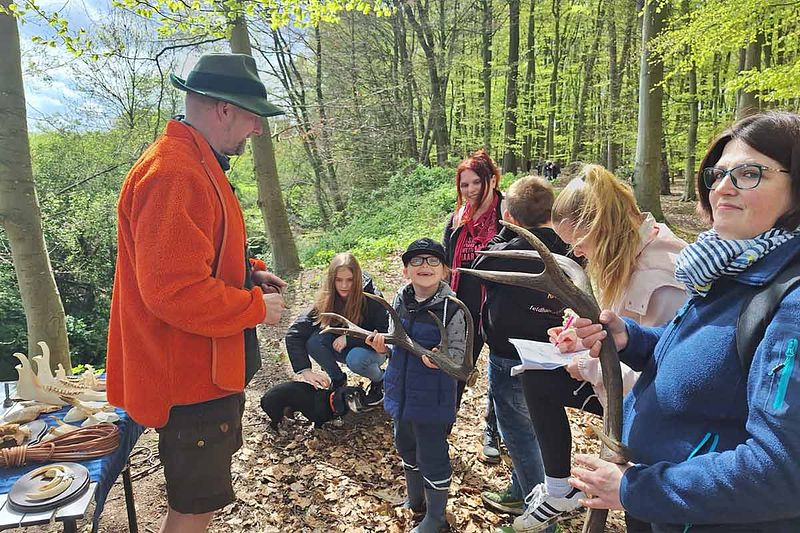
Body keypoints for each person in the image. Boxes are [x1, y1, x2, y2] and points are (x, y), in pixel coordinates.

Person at [568, 111, 800, 532]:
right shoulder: (730, 267)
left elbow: (784, 470)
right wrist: (629, 338)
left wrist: (635, 489)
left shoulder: (791, 300)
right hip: (665, 509)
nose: (723, 188)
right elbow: (707, 356)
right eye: (718, 173)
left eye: (750, 174)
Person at [106, 53, 287, 533]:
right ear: (224, 109)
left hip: (201, 373)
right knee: (193, 507)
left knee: (197, 501)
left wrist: (247, 275)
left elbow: (196, 256)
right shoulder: (175, 173)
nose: (258, 129)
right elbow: (173, 291)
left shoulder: (194, 163)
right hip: (189, 381)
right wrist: (254, 309)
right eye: (253, 116)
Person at [513, 164, 687, 533]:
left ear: (601, 228)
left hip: (654, 419)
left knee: (643, 514)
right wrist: (578, 335)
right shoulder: (625, 254)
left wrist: (584, 365)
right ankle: (560, 488)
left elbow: (664, 371)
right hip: (617, 391)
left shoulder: (664, 277)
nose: (578, 254)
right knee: (538, 379)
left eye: (580, 243)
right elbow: (612, 320)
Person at [472, 176, 572, 527]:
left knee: (517, 433)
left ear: (510, 215)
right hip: (556, 353)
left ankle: (541, 518)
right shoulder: (571, 246)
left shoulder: (507, 252)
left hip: (512, 358)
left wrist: (505, 231)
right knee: (539, 428)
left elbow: (478, 268)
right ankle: (520, 491)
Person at [367, 238, 467, 533]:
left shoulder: (453, 309)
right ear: (405, 271)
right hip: (400, 390)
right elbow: (392, 338)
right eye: (416, 261)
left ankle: (436, 518)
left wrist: (442, 360)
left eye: (433, 260)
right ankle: (416, 500)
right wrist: (381, 346)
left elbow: (459, 357)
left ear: (446, 270)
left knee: (432, 454)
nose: (425, 266)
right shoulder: (399, 300)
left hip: (432, 398)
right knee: (405, 444)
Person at [442, 149, 503, 463]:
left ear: (491, 181)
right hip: (463, 308)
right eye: (464, 185)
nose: (470, 191)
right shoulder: (456, 219)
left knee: (501, 372)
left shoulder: (506, 213)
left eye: (476, 183)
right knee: (456, 368)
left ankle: (494, 430)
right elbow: (444, 259)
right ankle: (442, 424)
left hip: (500, 307)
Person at [285, 252, 389, 406]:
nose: (344, 286)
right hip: (341, 348)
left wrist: (350, 337)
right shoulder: (327, 298)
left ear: (358, 279)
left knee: (356, 358)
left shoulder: (372, 297)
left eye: (350, 280)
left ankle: (381, 380)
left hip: (372, 350)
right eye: (338, 280)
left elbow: (385, 333)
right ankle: (338, 379)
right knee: (314, 341)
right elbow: (295, 333)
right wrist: (305, 370)